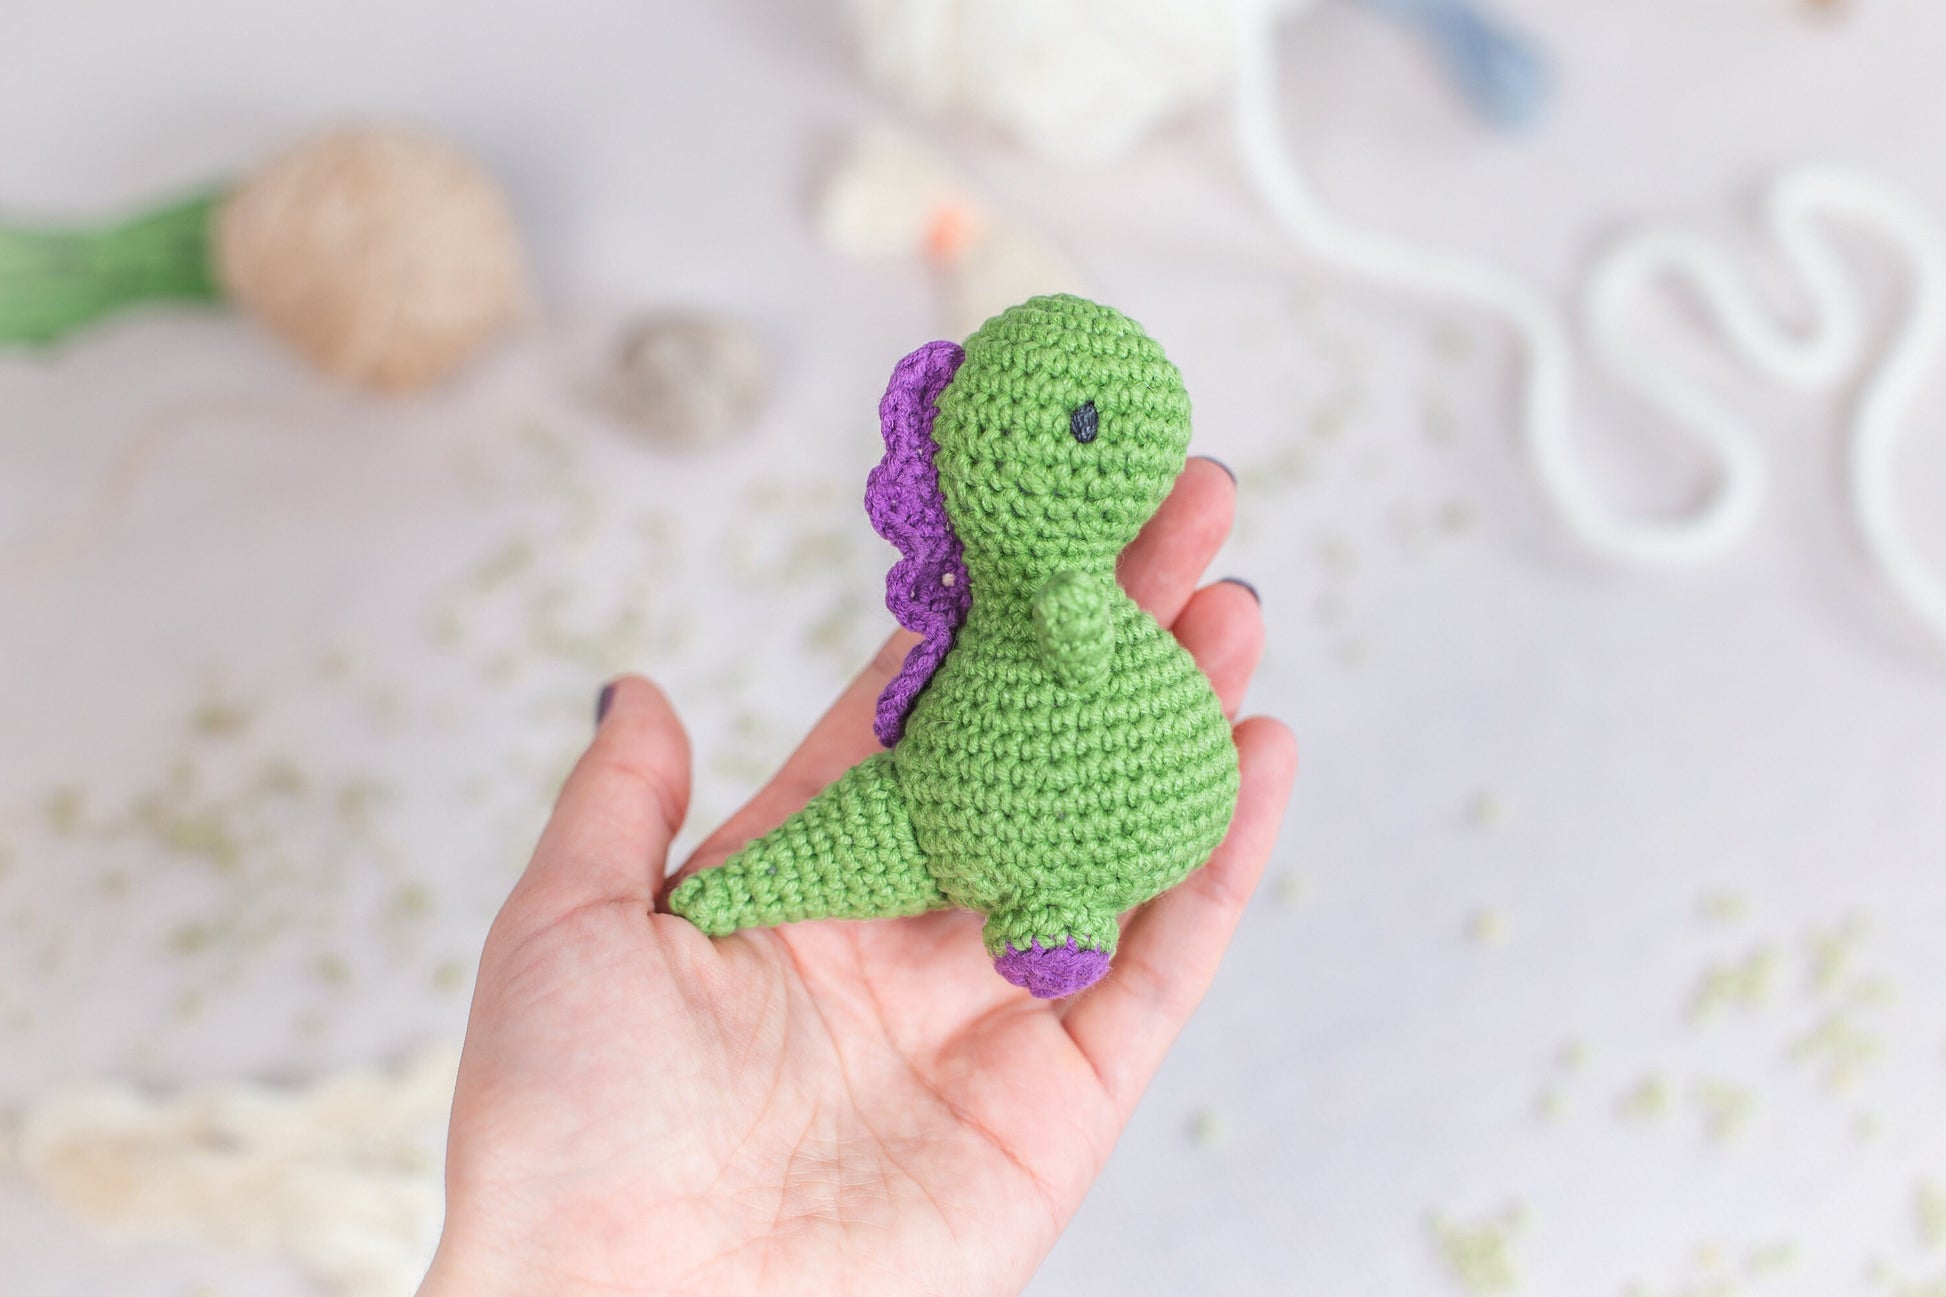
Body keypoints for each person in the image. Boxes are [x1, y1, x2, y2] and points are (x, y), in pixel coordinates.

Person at [418, 458, 1297, 1296]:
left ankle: (1058, 911)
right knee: (778, 880)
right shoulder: (1060, 601)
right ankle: (1051, 911)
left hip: (960, 819)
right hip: (943, 814)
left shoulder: (1063, 598)